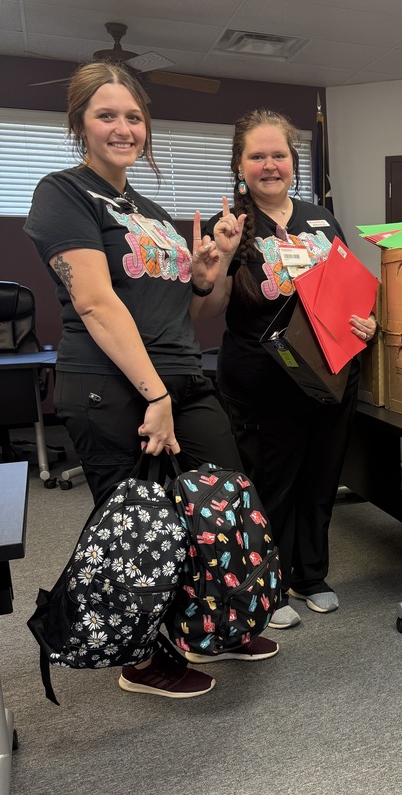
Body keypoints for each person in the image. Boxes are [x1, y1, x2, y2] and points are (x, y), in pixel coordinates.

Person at [24, 62, 279, 697]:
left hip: (182, 378)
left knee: (222, 503)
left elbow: (191, 312)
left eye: (133, 116)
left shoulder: (150, 209)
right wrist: (155, 396)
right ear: (79, 123)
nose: (123, 127)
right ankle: (140, 658)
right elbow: (95, 303)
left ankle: (210, 623)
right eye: (106, 115)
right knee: (141, 527)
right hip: (112, 386)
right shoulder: (63, 193)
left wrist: (206, 271)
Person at [204, 109, 377, 629]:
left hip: (328, 376)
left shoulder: (320, 218)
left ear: (293, 161)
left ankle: (311, 575)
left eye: (278, 154)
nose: (269, 165)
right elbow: (210, 310)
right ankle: (269, 585)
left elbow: (348, 288)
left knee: (321, 479)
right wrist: (223, 261)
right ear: (240, 165)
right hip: (263, 382)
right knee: (271, 486)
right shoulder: (229, 226)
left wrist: (364, 322)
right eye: (257, 156)